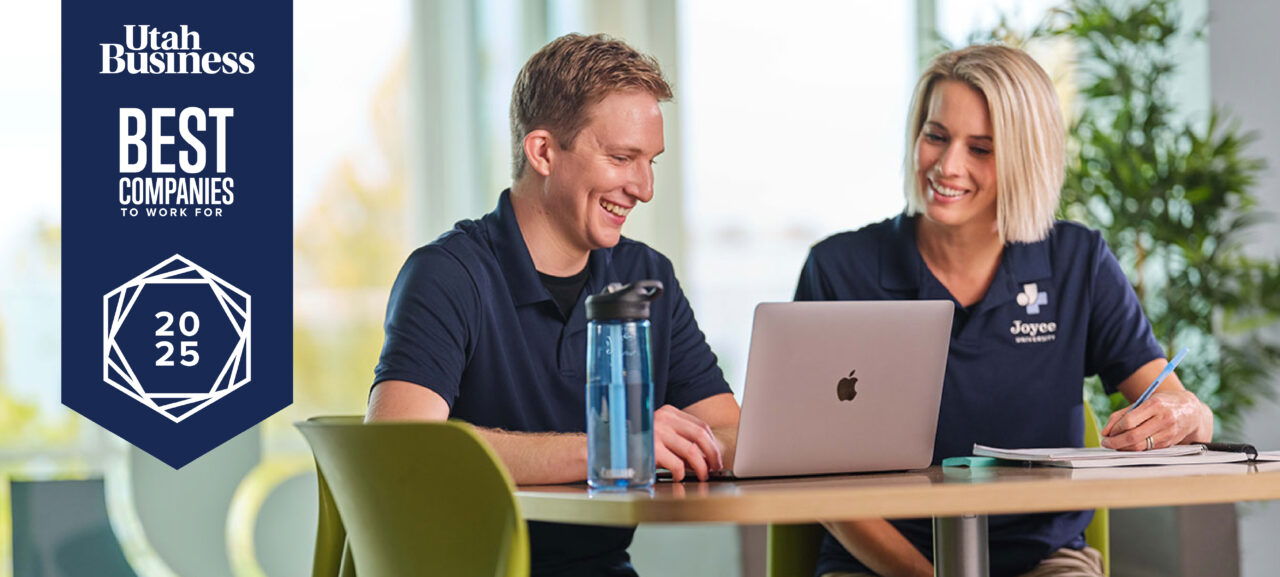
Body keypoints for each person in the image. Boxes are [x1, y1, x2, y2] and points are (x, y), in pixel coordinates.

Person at [795, 45, 1214, 577]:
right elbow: (808, 468)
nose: (948, 166)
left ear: (1025, 157)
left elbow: (1171, 403)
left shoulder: (1077, 261)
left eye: (982, 149)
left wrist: (1188, 415)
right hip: (880, 563)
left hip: (1043, 559)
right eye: (936, 136)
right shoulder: (837, 269)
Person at [367, 33, 740, 577]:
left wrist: (674, 446)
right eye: (621, 158)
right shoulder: (447, 274)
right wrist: (613, 448)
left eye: (650, 161)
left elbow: (732, 436)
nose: (644, 187)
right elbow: (404, 447)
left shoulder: (647, 277)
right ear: (543, 151)